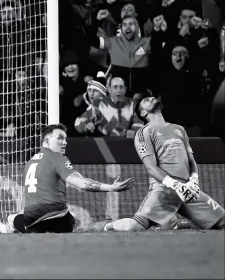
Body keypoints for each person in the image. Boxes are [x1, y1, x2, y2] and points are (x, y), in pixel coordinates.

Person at [86, 95, 225, 232]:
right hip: (164, 190)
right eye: (146, 100)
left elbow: (191, 161)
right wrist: (176, 185)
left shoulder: (179, 129)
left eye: (152, 97)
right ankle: (105, 226)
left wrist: (193, 181)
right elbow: (151, 168)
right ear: (143, 112)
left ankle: (175, 222)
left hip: (188, 190)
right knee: (133, 227)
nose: (151, 98)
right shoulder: (144, 133)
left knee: (223, 222)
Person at [0, 123, 135, 234]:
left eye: (65, 139)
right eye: (60, 138)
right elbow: (82, 183)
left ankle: (6, 228)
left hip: (33, 224)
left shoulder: (30, 161)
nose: (65, 142)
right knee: (73, 219)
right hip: (59, 222)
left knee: (14, 218)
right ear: (46, 141)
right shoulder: (57, 157)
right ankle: (110, 225)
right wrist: (111, 187)